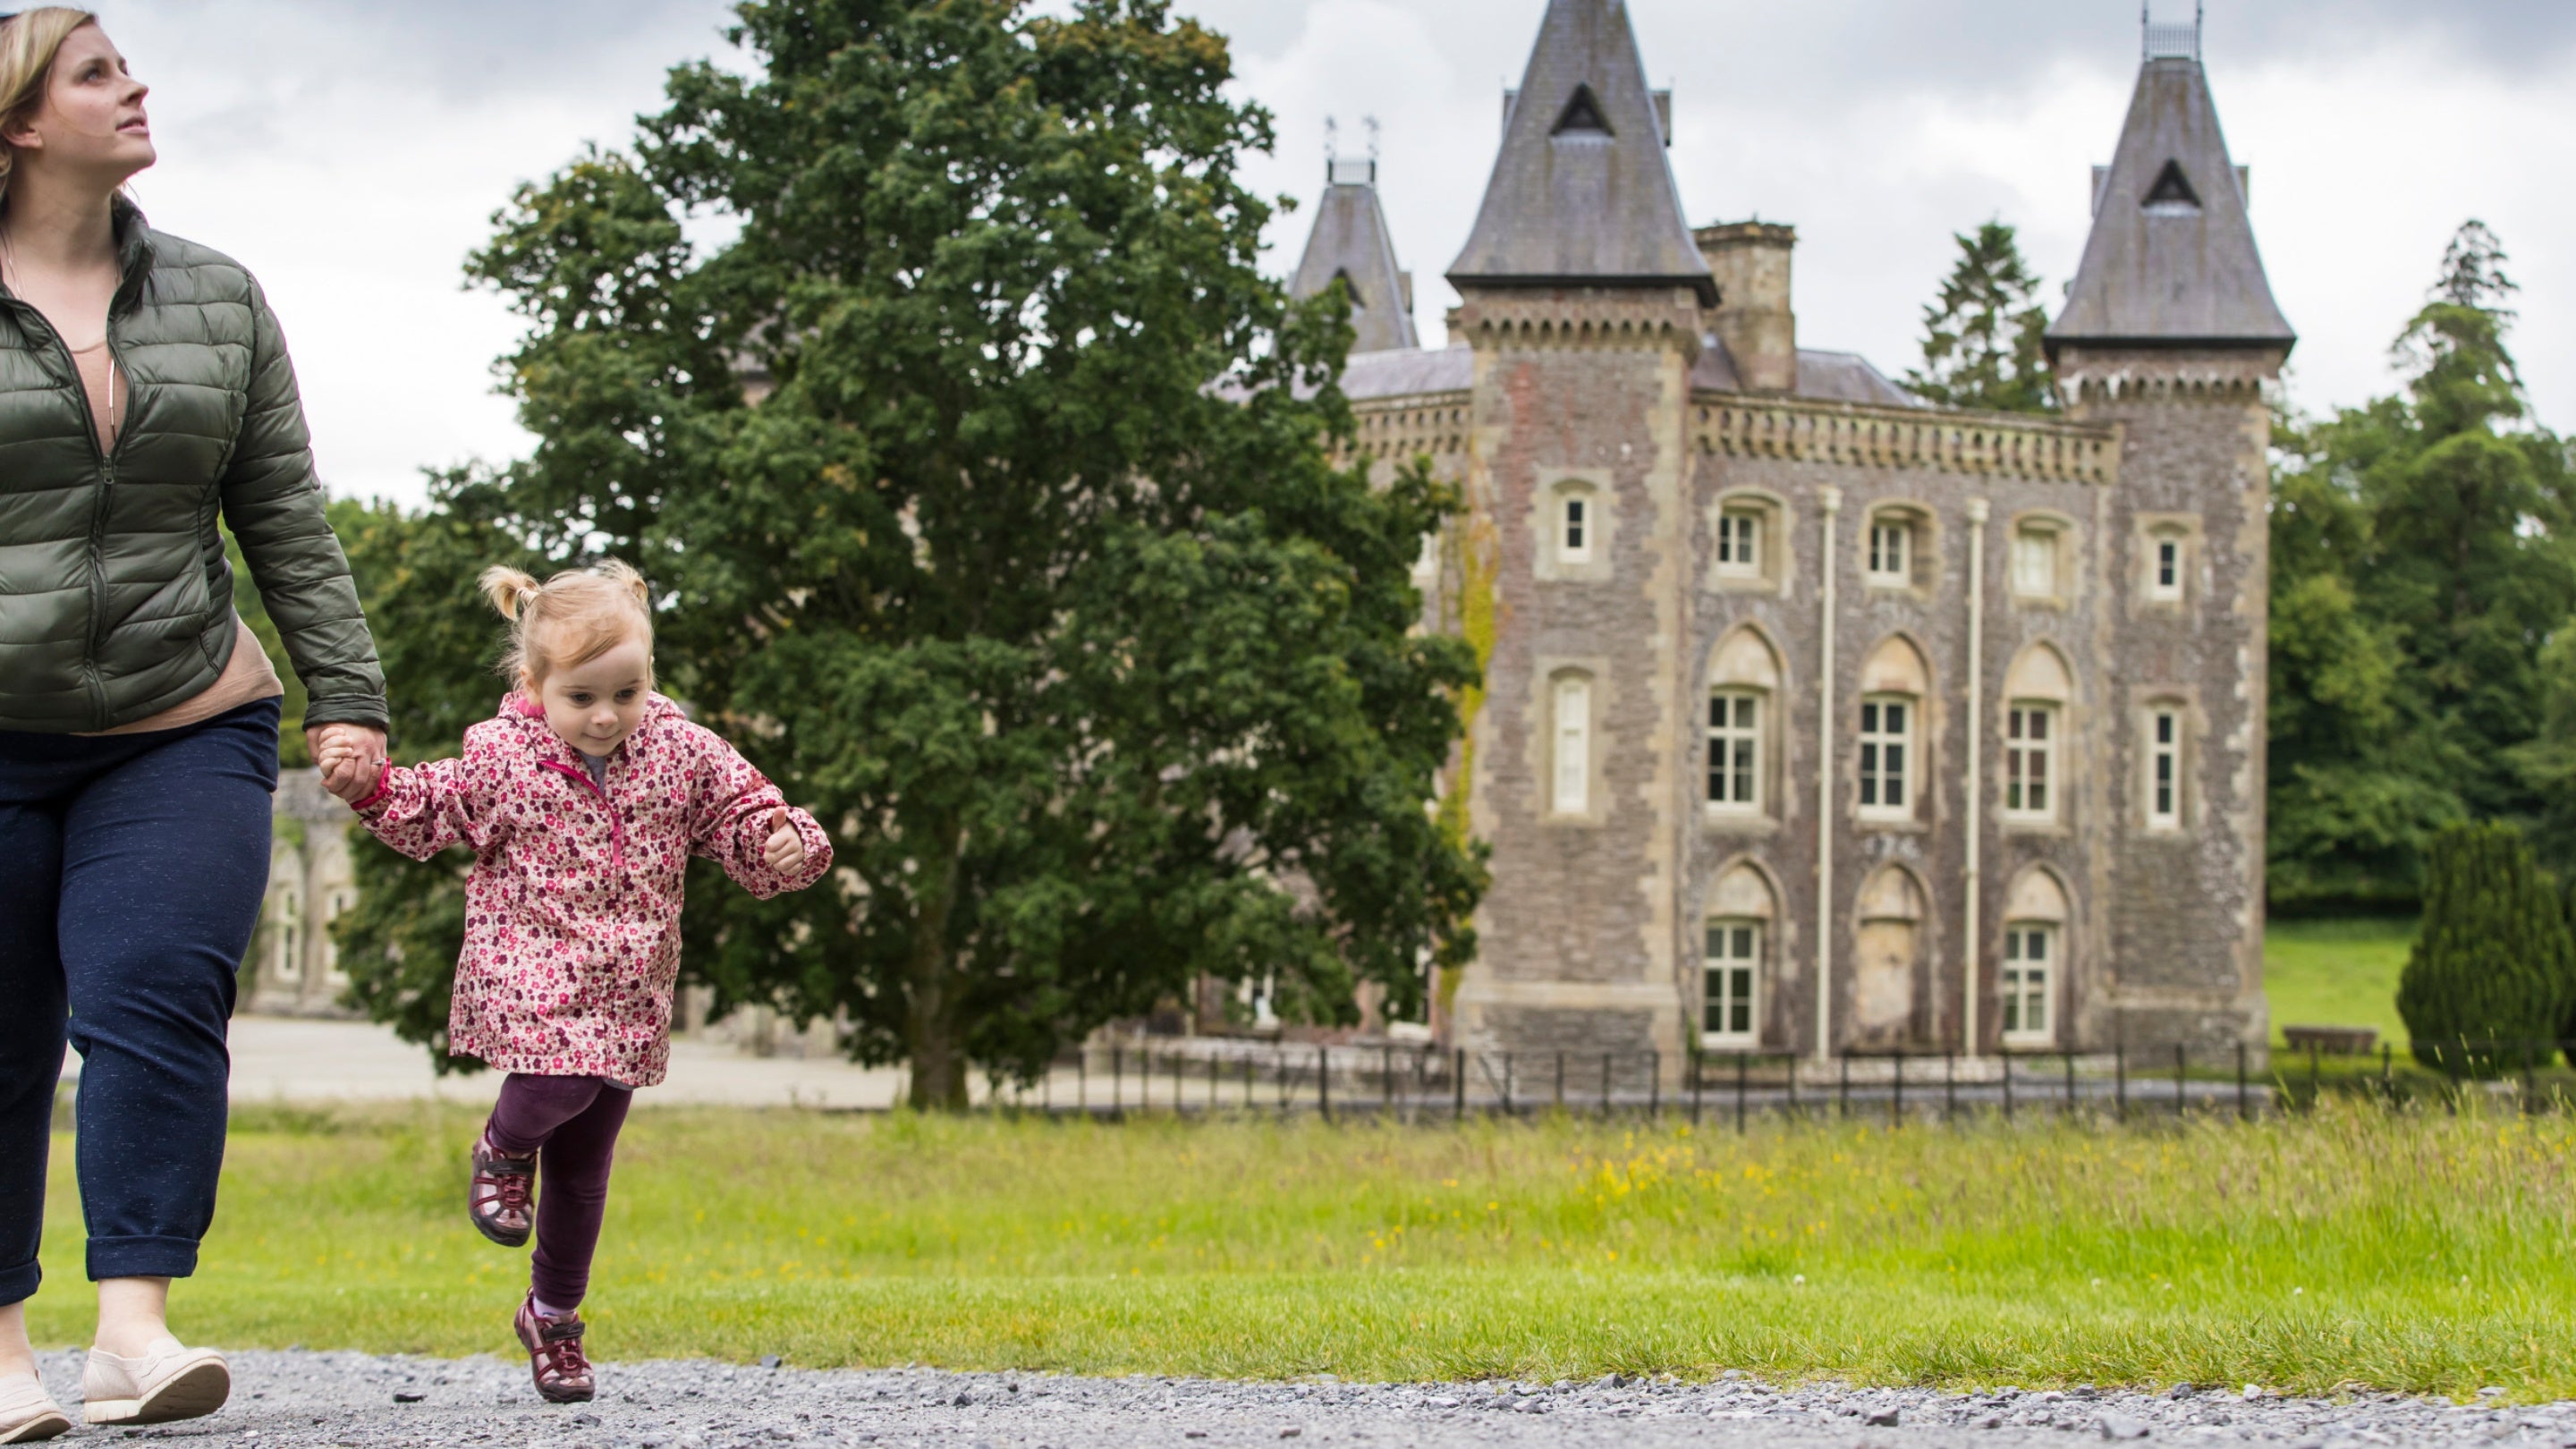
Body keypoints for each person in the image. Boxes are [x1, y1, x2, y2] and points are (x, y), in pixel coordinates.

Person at [0, 10, 386, 1441]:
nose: (135, 84)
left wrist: (349, 697)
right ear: (21, 122)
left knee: (158, 990)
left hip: (184, 713)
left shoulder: (215, 296)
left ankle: (132, 1336)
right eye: (95, 71)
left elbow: (283, 513)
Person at [317, 561, 831, 1404]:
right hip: (535, 978)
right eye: (582, 697)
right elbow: (430, 805)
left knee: (588, 1166)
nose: (605, 716)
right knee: (559, 1076)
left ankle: (553, 1317)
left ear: (649, 679)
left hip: (631, 989)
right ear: (535, 684)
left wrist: (788, 842)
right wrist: (367, 784)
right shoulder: (504, 758)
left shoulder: (681, 751)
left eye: (625, 693)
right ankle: (504, 1147)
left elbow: (747, 814)